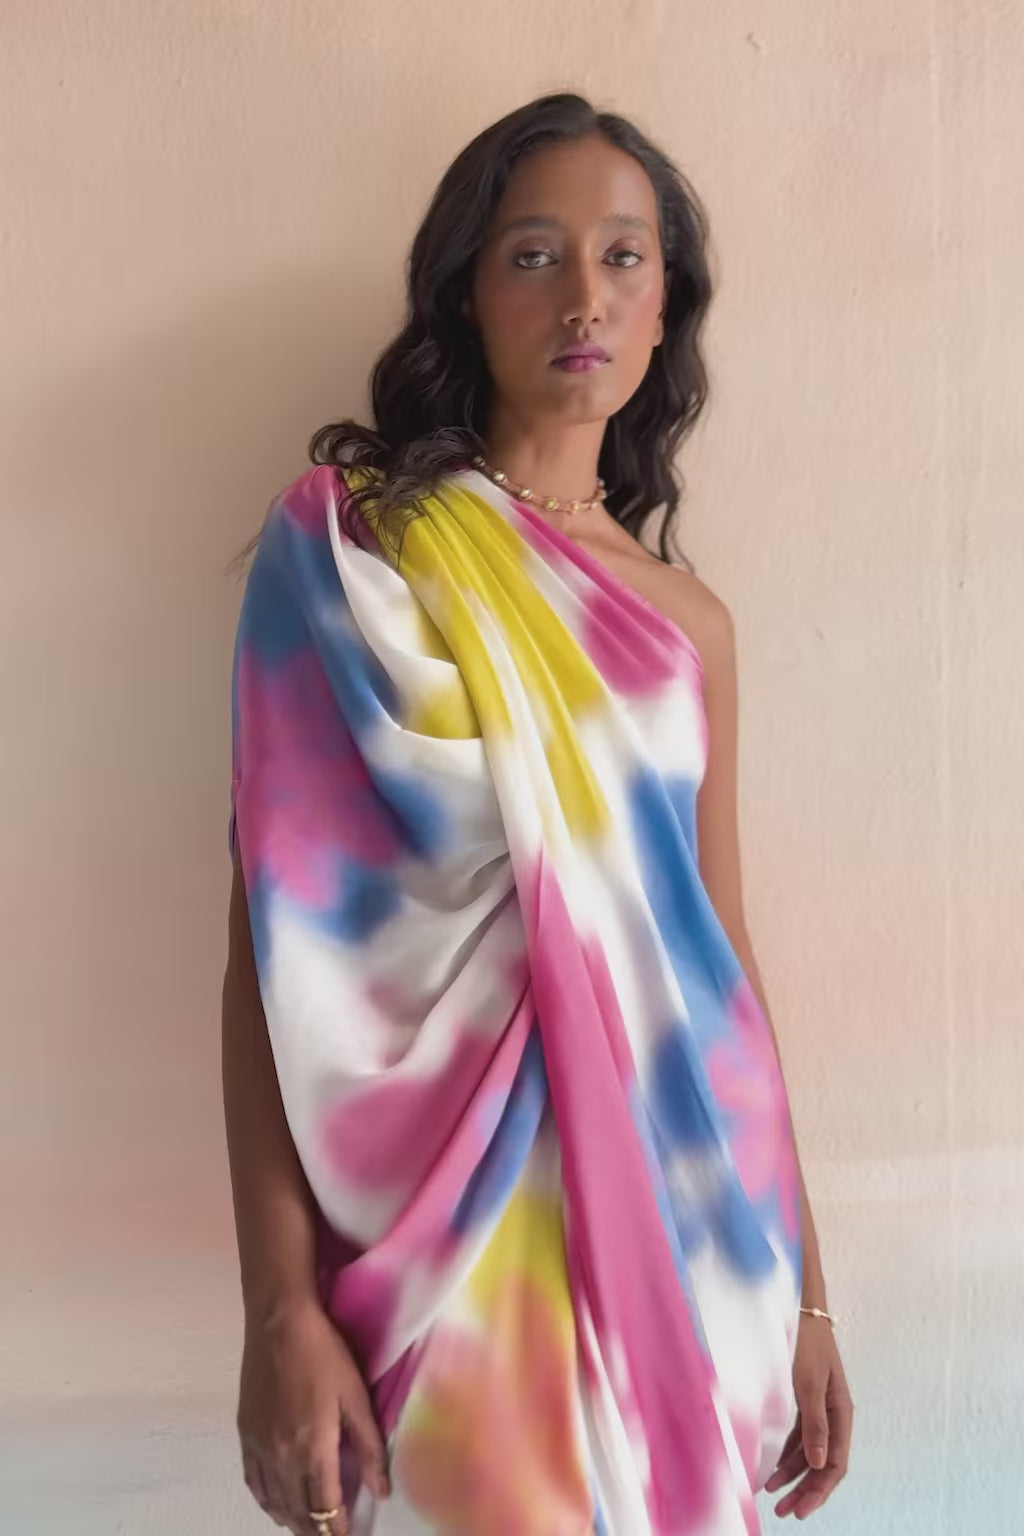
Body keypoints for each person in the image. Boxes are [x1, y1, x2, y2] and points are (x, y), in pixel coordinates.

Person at [221, 91, 853, 1536]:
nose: (585, 296)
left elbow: (723, 959)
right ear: (464, 289)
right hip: (453, 1259)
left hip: (705, 1238)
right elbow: (267, 955)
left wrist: (811, 1294)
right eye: (533, 254)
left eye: (625, 256)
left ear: (666, 304)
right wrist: (278, 1309)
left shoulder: (692, 624)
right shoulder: (355, 550)